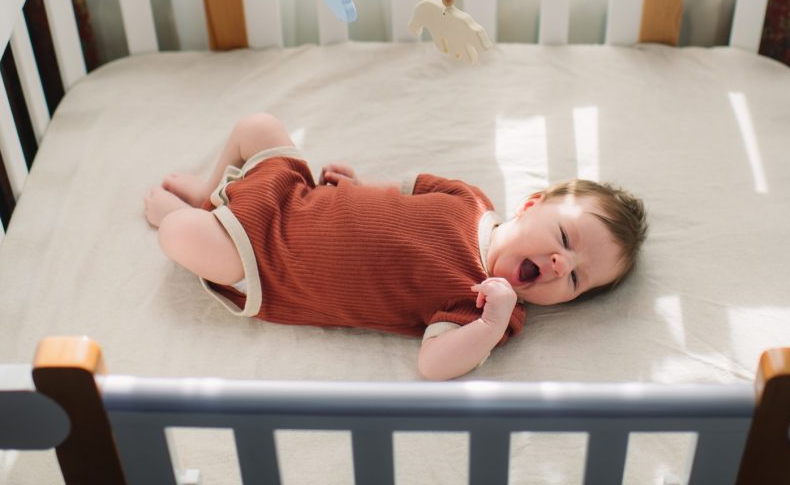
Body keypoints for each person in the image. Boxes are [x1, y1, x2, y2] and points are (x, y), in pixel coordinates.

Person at [144, 113, 648, 380]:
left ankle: (191, 216)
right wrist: (359, 186)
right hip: (295, 199)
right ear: (532, 204)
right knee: (256, 127)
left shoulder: (485, 307)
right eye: (565, 239)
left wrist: (491, 326)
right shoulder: (469, 197)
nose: (562, 265)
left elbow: (433, 364)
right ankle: (211, 191)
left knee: (180, 235)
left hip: (269, 264)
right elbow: (402, 195)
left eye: (577, 280)